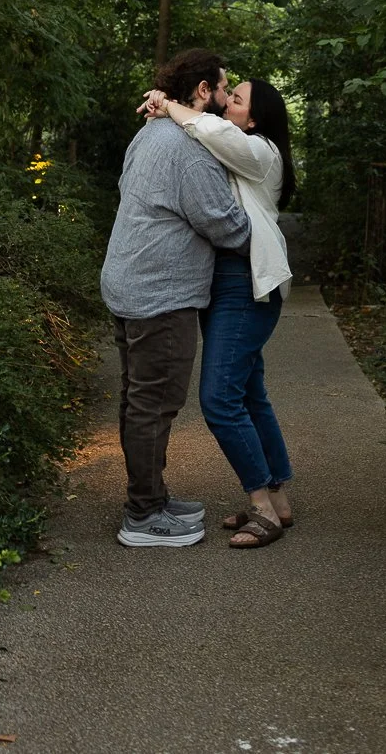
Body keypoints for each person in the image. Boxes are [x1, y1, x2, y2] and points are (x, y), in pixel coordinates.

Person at [100, 49, 251, 549]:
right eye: (224, 88)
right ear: (203, 90)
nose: (228, 97)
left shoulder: (149, 132)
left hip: (129, 283)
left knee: (138, 399)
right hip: (160, 295)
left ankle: (152, 498)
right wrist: (261, 232)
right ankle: (143, 516)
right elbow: (226, 226)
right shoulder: (189, 149)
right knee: (154, 405)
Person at [142, 75, 297, 548]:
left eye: (238, 99)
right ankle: (279, 498)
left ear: (255, 119)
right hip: (224, 281)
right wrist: (164, 109)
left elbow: (209, 129)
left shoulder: (262, 152)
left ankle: (262, 508)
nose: (228, 102)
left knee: (219, 400)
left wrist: (170, 104)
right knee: (249, 393)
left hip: (247, 284)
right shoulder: (235, 147)